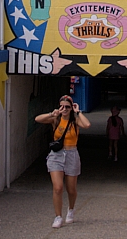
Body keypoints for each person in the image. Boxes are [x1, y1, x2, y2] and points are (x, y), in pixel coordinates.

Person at [34, 95, 90, 229]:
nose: (64, 109)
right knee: (58, 187)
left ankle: (71, 209)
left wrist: (78, 112)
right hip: (56, 155)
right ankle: (58, 216)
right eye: (62, 106)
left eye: (67, 107)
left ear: (71, 108)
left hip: (71, 154)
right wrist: (52, 113)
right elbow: (37, 119)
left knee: (71, 189)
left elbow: (87, 124)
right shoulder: (56, 119)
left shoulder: (75, 121)